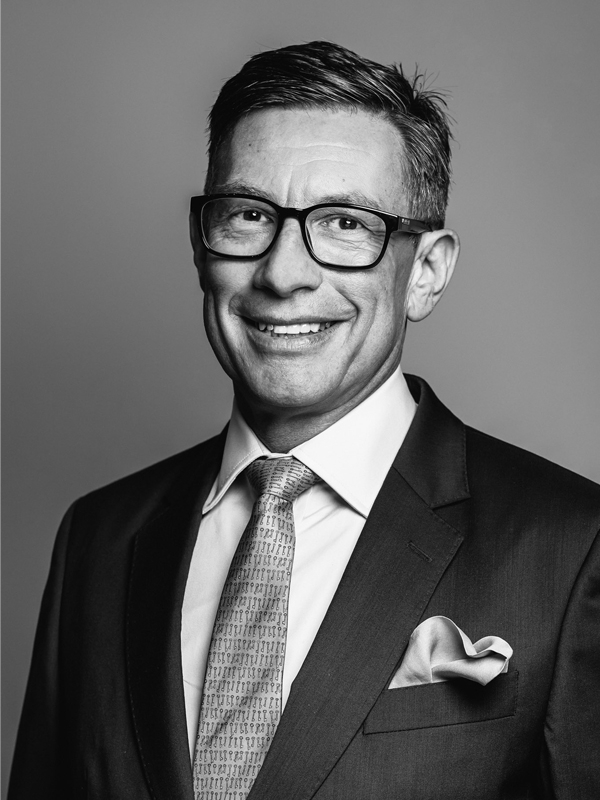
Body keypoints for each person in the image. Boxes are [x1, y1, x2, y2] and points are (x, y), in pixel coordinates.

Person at [9, 41, 600, 800]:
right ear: (200, 247)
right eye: (249, 215)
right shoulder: (98, 540)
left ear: (426, 271)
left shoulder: (572, 549)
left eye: (346, 222)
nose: (284, 273)